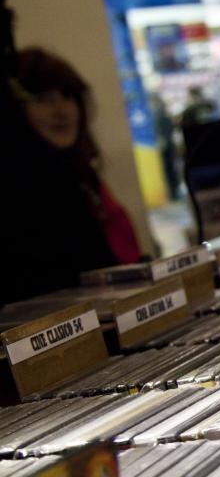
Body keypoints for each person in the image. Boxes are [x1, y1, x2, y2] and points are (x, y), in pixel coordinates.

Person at [2, 48, 141, 305]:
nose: (61, 110)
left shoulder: (84, 177)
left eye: (68, 96)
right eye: (44, 99)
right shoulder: (24, 193)